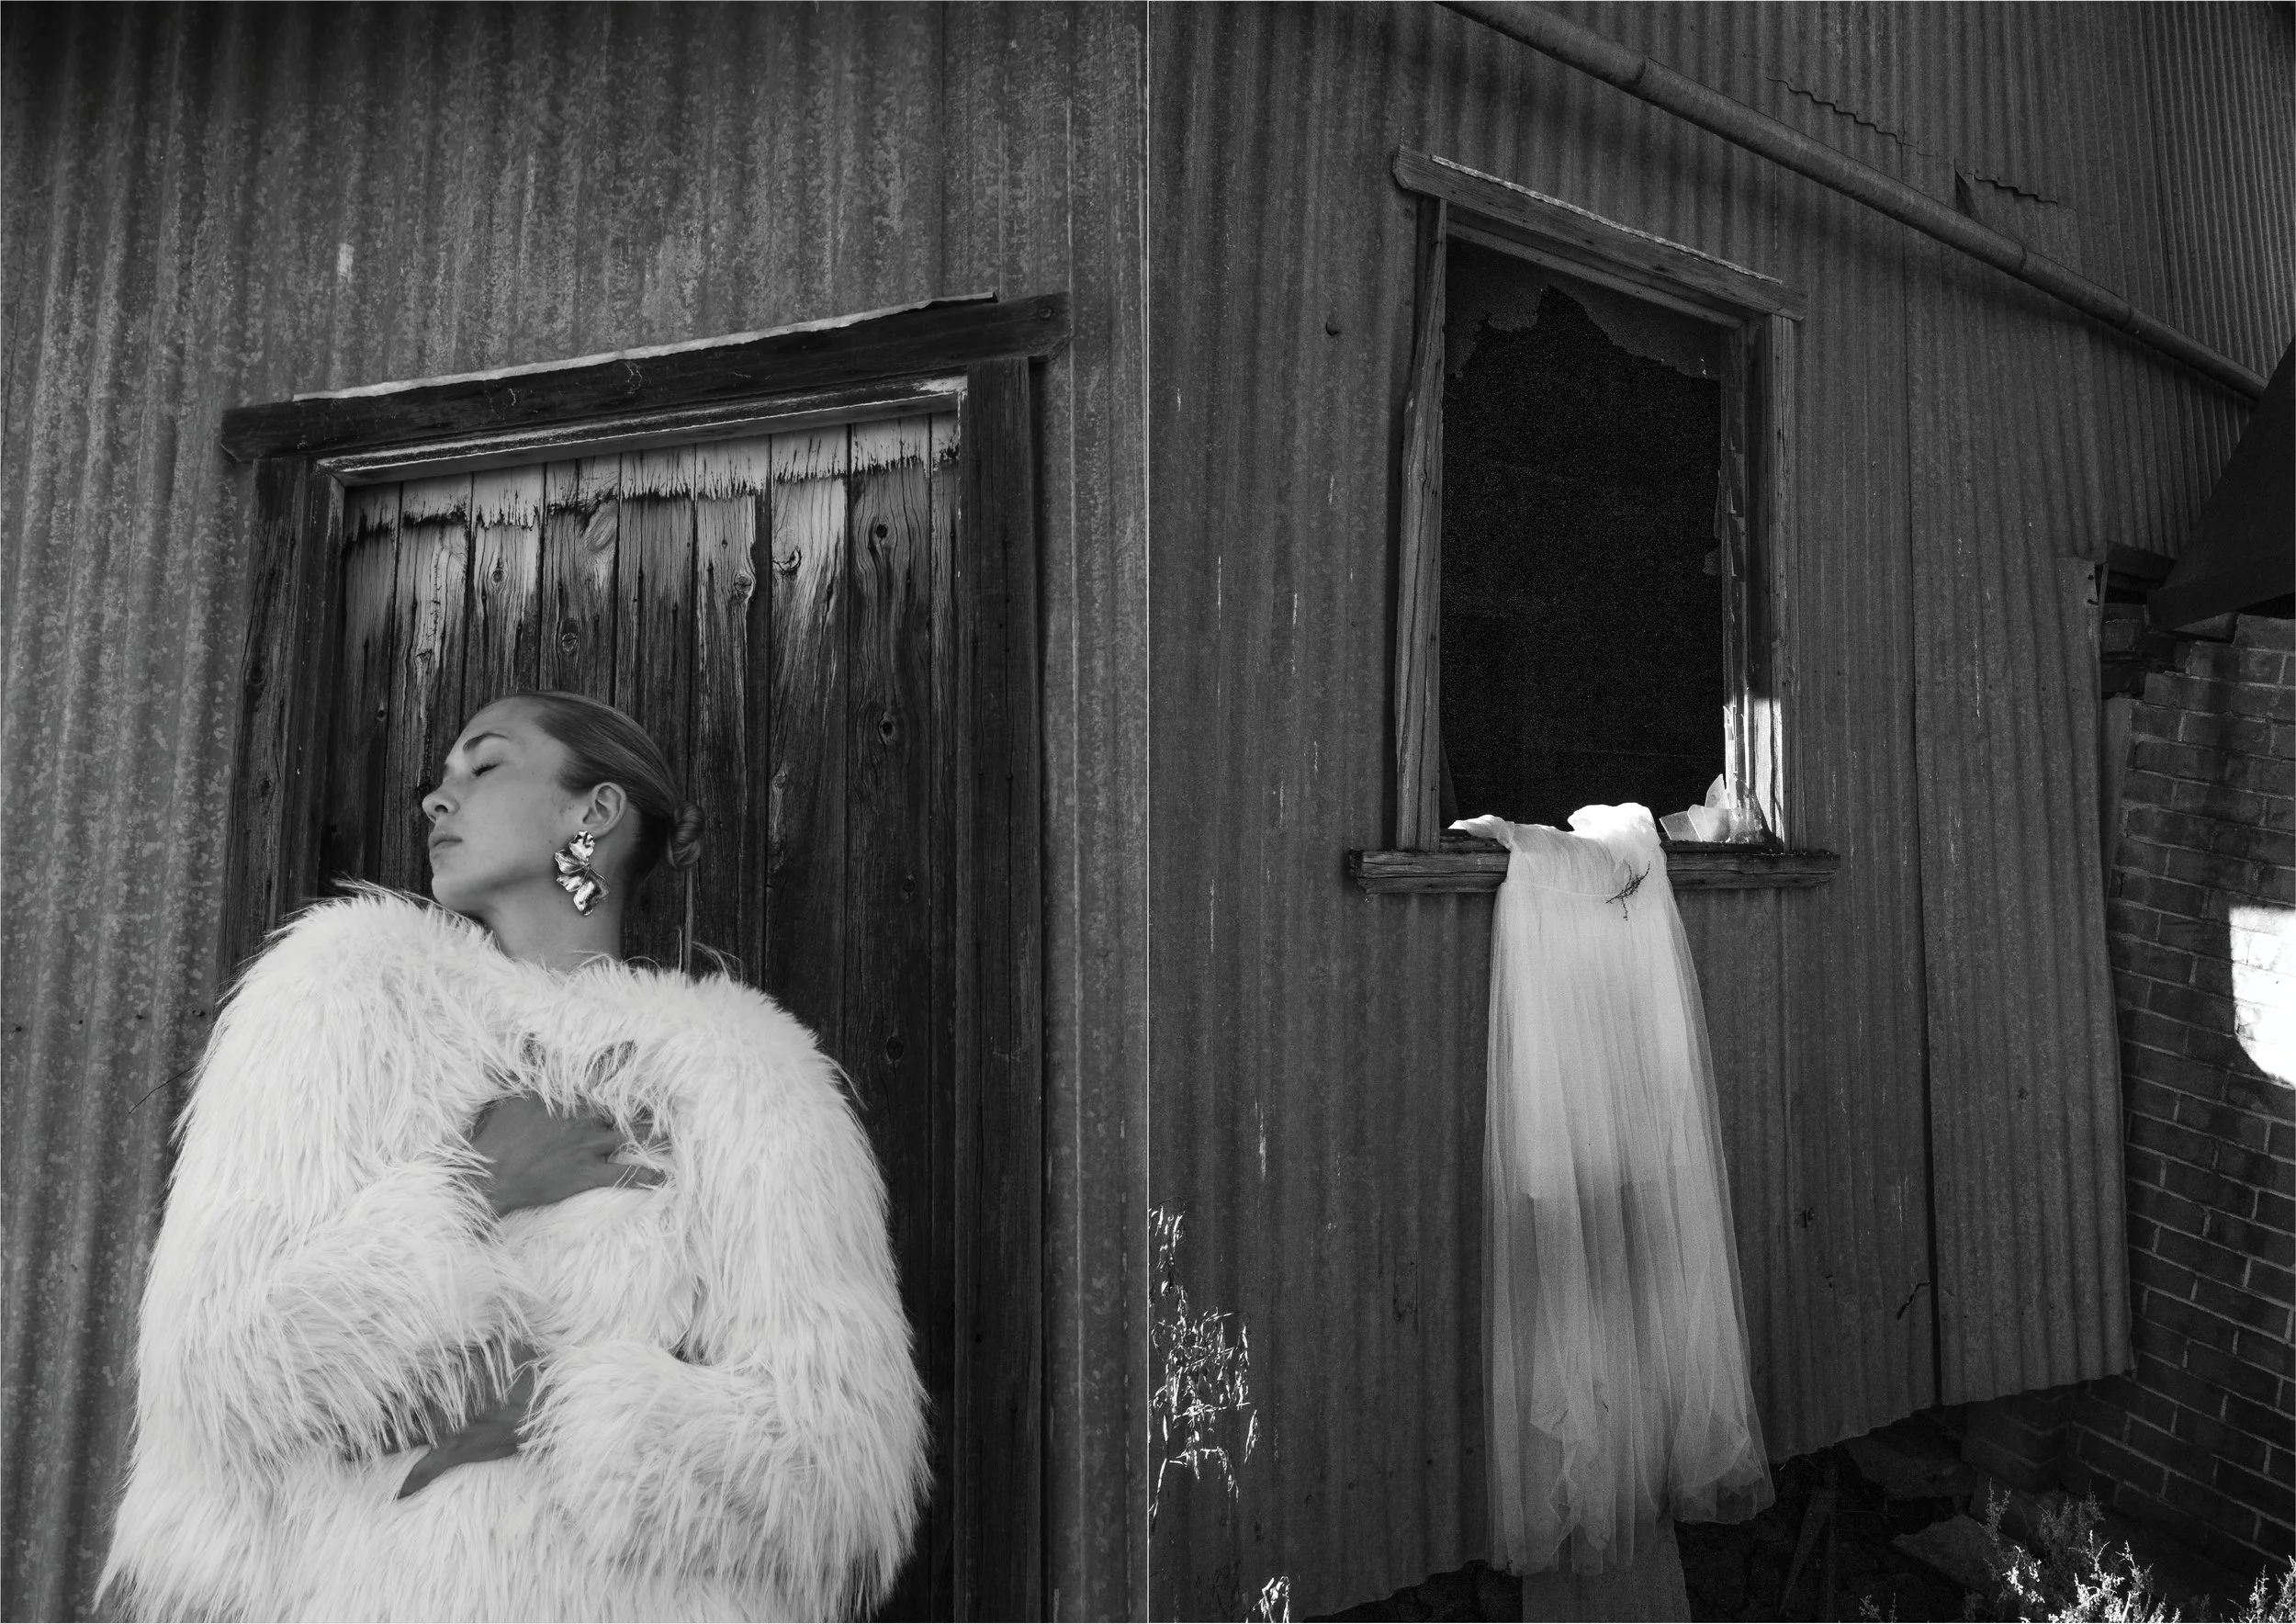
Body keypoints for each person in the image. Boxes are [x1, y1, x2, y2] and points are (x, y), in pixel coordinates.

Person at [101, 691, 928, 1622]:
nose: (436, 800)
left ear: (594, 813)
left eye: (483, 765)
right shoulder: (350, 997)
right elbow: (214, 1362)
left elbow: (842, 1466)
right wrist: (470, 1187)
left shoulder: (748, 1078)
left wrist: (547, 1400)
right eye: (439, 778)